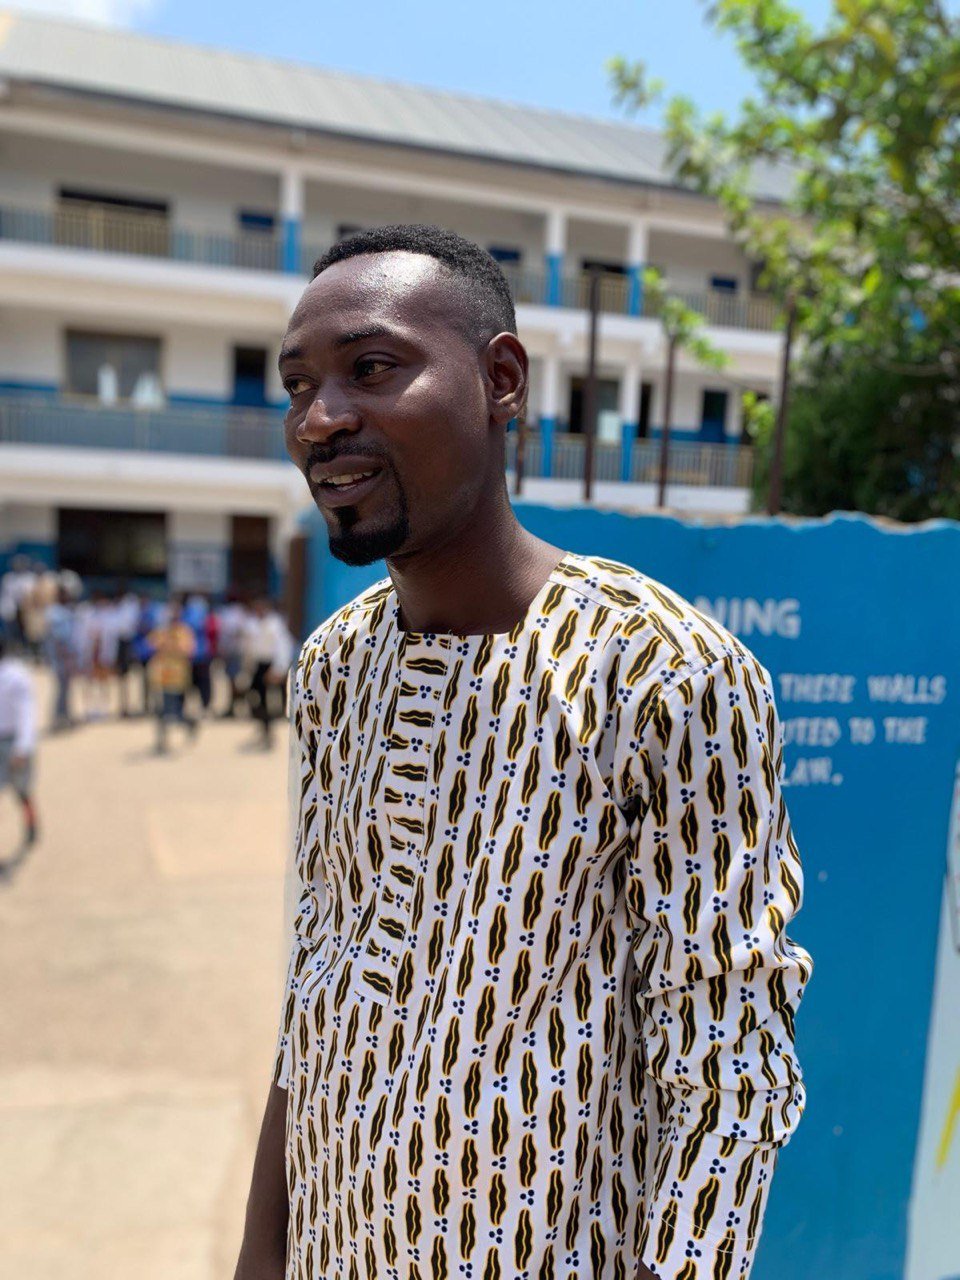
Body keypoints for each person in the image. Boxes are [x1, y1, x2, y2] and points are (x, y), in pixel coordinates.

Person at [233, 226, 813, 1280]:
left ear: (500, 380)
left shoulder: (664, 671)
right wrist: (258, 1255)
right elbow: (319, 981)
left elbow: (729, 1082)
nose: (320, 419)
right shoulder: (332, 667)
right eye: (298, 386)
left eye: (372, 368)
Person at [0, 632, 38, 847]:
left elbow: (26, 713)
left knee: (22, 791)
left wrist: (23, 747)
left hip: (13, 741)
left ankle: (31, 825)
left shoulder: (16, 676)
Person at [146, 598, 197, 754]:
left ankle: (190, 723)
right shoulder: (162, 630)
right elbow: (152, 644)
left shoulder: (184, 631)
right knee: (160, 709)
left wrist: (171, 645)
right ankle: (162, 740)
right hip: (161, 676)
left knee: (174, 711)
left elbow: (187, 650)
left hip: (177, 677)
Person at [242, 598, 294, 748]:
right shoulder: (252, 624)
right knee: (253, 695)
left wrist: (278, 668)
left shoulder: (275, 624)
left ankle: (268, 728)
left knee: (270, 699)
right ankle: (263, 723)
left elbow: (282, 647)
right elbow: (249, 647)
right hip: (257, 665)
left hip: (270, 664)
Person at [44, 583, 78, 731]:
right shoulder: (53, 612)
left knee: (67, 688)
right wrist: (65, 658)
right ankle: (58, 718)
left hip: (68, 656)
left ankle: (66, 715)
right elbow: (58, 639)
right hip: (61, 657)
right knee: (61, 688)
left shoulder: (67, 610)